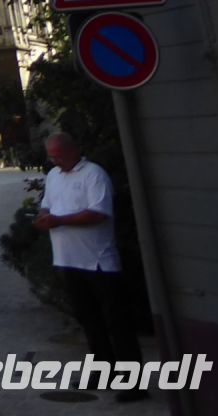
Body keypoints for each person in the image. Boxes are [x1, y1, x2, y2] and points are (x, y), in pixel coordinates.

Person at [34, 132, 143, 399]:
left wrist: (60, 221)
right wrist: (44, 217)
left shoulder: (93, 174)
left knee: (117, 322)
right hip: (67, 259)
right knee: (89, 320)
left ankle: (132, 382)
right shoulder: (54, 177)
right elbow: (46, 206)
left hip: (98, 261)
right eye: (51, 155)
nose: (54, 160)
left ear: (72, 151)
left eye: (58, 155)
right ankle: (102, 370)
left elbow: (98, 212)